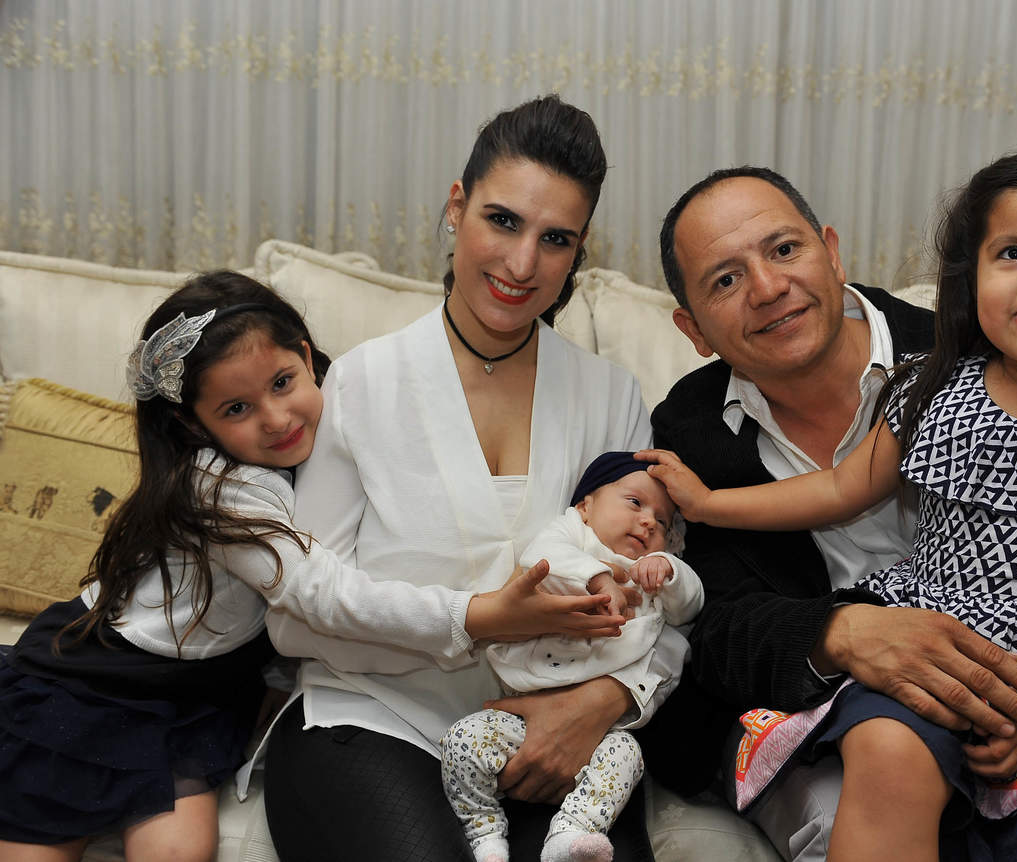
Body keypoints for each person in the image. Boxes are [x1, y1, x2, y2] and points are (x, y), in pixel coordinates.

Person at [641, 147, 1017, 860]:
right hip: (877, 694)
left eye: (784, 249)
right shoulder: (695, 429)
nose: (768, 288)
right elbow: (714, 620)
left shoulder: (999, 353)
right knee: (872, 781)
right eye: (727, 279)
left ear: (831, 251)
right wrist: (837, 629)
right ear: (693, 329)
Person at [262, 95, 679, 862]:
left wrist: (602, 699)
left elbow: (664, 599)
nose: (522, 265)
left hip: (550, 731)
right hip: (376, 718)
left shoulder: (612, 398)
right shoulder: (361, 383)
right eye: (503, 221)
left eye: (555, 239)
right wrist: (478, 619)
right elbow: (294, 618)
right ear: (457, 208)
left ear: (580, 250)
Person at [0, 272, 494, 862]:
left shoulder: (338, 430)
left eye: (282, 382)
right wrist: (475, 615)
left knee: (181, 852)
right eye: (237, 408)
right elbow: (315, 591)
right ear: (192, 424)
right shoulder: (221, 491)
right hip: (100, 678)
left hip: (196, 695)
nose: (277, 419)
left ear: (306, 358)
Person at [443, 452, 703, 862]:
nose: (649, 522)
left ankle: (572, 834)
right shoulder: (571, 537)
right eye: (635, 503)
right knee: (462, 740)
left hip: (600, 731)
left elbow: (690, 608)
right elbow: (542, 556)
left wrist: (669, 570)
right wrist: (598, 577)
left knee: (627, 757)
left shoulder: (651, 573)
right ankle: (484, 831)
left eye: (662, 521)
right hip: (520, 711)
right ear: (585, 506)